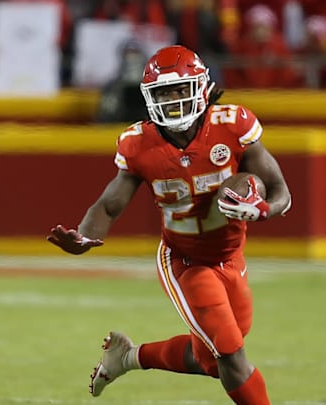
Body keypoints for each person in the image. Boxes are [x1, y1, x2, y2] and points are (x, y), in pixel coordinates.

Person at [47, 45, 291, 404]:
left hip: (230, 255)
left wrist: (263, 209)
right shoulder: (139, 143)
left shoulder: (232, 125)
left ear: (202, 87)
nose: (174, 101)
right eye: (164, 93)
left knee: (213, 360)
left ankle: (128, 357)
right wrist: (85, 235)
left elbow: (281, 190)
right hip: (184, 260)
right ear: (149, 98)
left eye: (180, 90)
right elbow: (110, 205)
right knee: (230, 354)